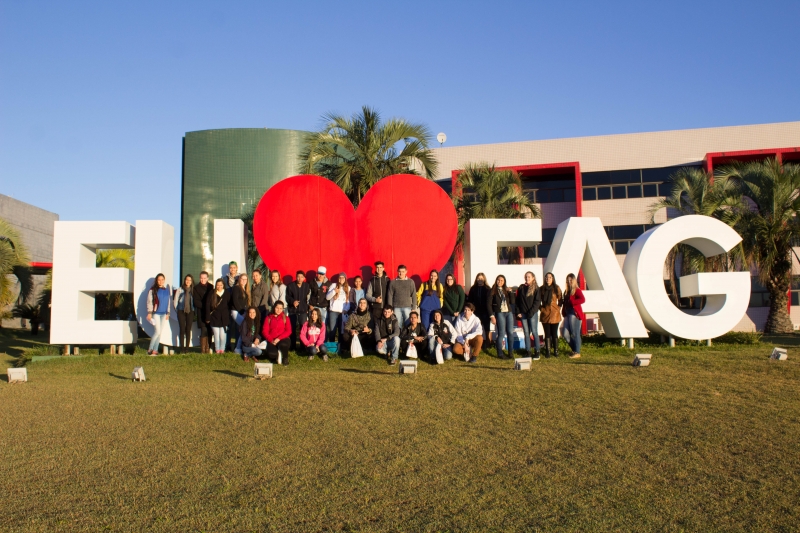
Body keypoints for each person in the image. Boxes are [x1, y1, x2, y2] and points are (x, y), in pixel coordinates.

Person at [488, 274, 516, 360]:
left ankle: (510, 352)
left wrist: (510, 292)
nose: (500, 282)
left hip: (508, 312)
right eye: (498, 280)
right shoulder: (492, 291)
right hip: (499, 313)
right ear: (496, 281)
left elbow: (513, 301)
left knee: (510, 332)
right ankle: (500, 353)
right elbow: (488, 304)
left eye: (502, 280)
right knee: (501, 333)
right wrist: (492, 316)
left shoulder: (506, 290)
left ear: (504, 282)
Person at [516, 271, 542, 360]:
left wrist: (531, 312)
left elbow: (537, 302)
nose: (527, 278)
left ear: (533, 278)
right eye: (526, 277)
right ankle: (528, 351)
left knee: (534, 332)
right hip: (523, 314)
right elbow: (518, 300)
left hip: (532, 314)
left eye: (529, 277)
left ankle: (537, 351)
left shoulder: (536, 288)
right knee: (526, 333)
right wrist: (518, 312)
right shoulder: (521, 287)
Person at [145, 273, 172, 356]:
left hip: (164, 314)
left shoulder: (166, 290)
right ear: (156, 281)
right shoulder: (153, 290)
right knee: (157, 332)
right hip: (156, 313)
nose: (161, 281)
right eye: (159, 280)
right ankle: (150, 349)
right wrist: (149, 312)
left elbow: (168, 302)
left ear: (164, 280)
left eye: (162, 280)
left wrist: (168, 313)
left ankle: (155, 350)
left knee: (159, 333)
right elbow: (149, 302)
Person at [539, 272, 563, 358]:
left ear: (553, 279)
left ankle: (556, 351)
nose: (548, 279)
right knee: (547, 333)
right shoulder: (541, 289)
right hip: (545, 313)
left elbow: (560, 299)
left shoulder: (556, 288)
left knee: (554, 333)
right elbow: (537, 300)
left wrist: (558, 308)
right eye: (546, 277)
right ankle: (548, 351)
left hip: (554, 313)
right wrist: (541, 308)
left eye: (550, 277)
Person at [562, 273, 586, 359]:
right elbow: (565, 303)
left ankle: (577, 352)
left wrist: (573, 302)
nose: (569, 282)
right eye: (568, 280)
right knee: (565, 333)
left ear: (574, 280)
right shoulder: (567, 291)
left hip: (574, 313)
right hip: (567, 313)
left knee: (575, 333)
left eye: (571, 280)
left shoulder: (577, 290)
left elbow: (582, 299)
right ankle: (575, 349)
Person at [285, 270, 310, 352]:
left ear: (304, 278)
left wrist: (307, 308)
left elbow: (308, 298)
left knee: (303, 329)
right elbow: (287, 297)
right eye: (298, 277)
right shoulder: (290, 286)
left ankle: (303, 347)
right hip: (293, 311)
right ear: (296, 277)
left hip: (303, 311)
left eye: (301, 277)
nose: (299, 279)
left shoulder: (307, 286)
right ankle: (293, 346)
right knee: (292, 329)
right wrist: (293, 302)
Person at [262, 300, 292, 365]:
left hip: (283, 339)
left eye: (281, 308)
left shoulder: (285, 318)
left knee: (283, 345)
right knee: (272, 354)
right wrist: (271, 340)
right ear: (274, 307)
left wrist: (279, 338)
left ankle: (285, 358)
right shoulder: (268, 318)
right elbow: (265, 331)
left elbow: (288, 331)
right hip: (272, 339)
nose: (279, 310)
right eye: (277, 308)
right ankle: (277, 354)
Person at [206, 278, 231, 353]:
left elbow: (229, 305)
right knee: (216, 335)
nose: (219, 286)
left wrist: (228, 316)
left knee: (223, 335)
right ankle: (217, 349)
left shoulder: (227, 293)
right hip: (214, 317)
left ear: (223, 285)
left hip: (224, 318)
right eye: (218, 285)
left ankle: (222, 349)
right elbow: (207, 305)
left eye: (221, 285)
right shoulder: (212, 293)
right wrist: (208, 317)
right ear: (215, 285)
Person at [172, 274, 195, 353]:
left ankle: (187, 348)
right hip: (181, 311)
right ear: (184, 280)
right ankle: (182, 348)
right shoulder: (180, 289)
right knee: (182, 329)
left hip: (190, 312)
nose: (188, 281)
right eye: (187, 280)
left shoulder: (193, 290)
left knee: (188, 330)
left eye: (189, 280)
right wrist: (177, 310)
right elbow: (175, 300)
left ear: (192, 281)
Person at [192, 271, 214, 353]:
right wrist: (206, 305)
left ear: (207, 278)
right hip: (201, 312)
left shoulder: (211, 287)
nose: (203, 280)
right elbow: (196, 301)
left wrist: (210, 307)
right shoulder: (196, 288)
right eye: (201, 278)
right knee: (203, 329)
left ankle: (208, 348)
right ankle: (203, 349)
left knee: (209, 330)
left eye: (204, 278)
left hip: (210, 312)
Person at [326, 272, 351, 342]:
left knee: (341, 331)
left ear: (345, 279)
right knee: (332, 330)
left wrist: (346, 309)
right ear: (338, 279)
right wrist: (334, 291)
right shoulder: (334, 285)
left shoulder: (348, 288)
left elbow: (349, 301)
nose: (341, 279)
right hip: (333, 312)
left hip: (343, 312)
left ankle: (340, 346)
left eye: (343, 277)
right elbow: (327, 297)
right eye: (340, 277)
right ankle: (332, 345)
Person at [229, 273, 251, 353]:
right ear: (239, 279)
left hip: (242, 312)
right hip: (236, 311)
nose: (244, 281)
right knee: (245, 328)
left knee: (244, 329)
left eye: (245, 279)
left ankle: (239, 348)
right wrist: (242, 312)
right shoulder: (236, 288)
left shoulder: (245, 289)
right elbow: (235, 301)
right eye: (242, 279)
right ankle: (238, 348)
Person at [467, 272, 491, 342]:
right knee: (476, 327)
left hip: (485, 311)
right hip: (476, 311)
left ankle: (488, 342)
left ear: (484, 279)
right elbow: (470, 300)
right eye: (478, 278)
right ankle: (477, 342)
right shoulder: (473, 288)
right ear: (476, 279)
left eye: (481, 278)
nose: (480, 280)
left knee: (487, 328)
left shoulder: (488, 288)